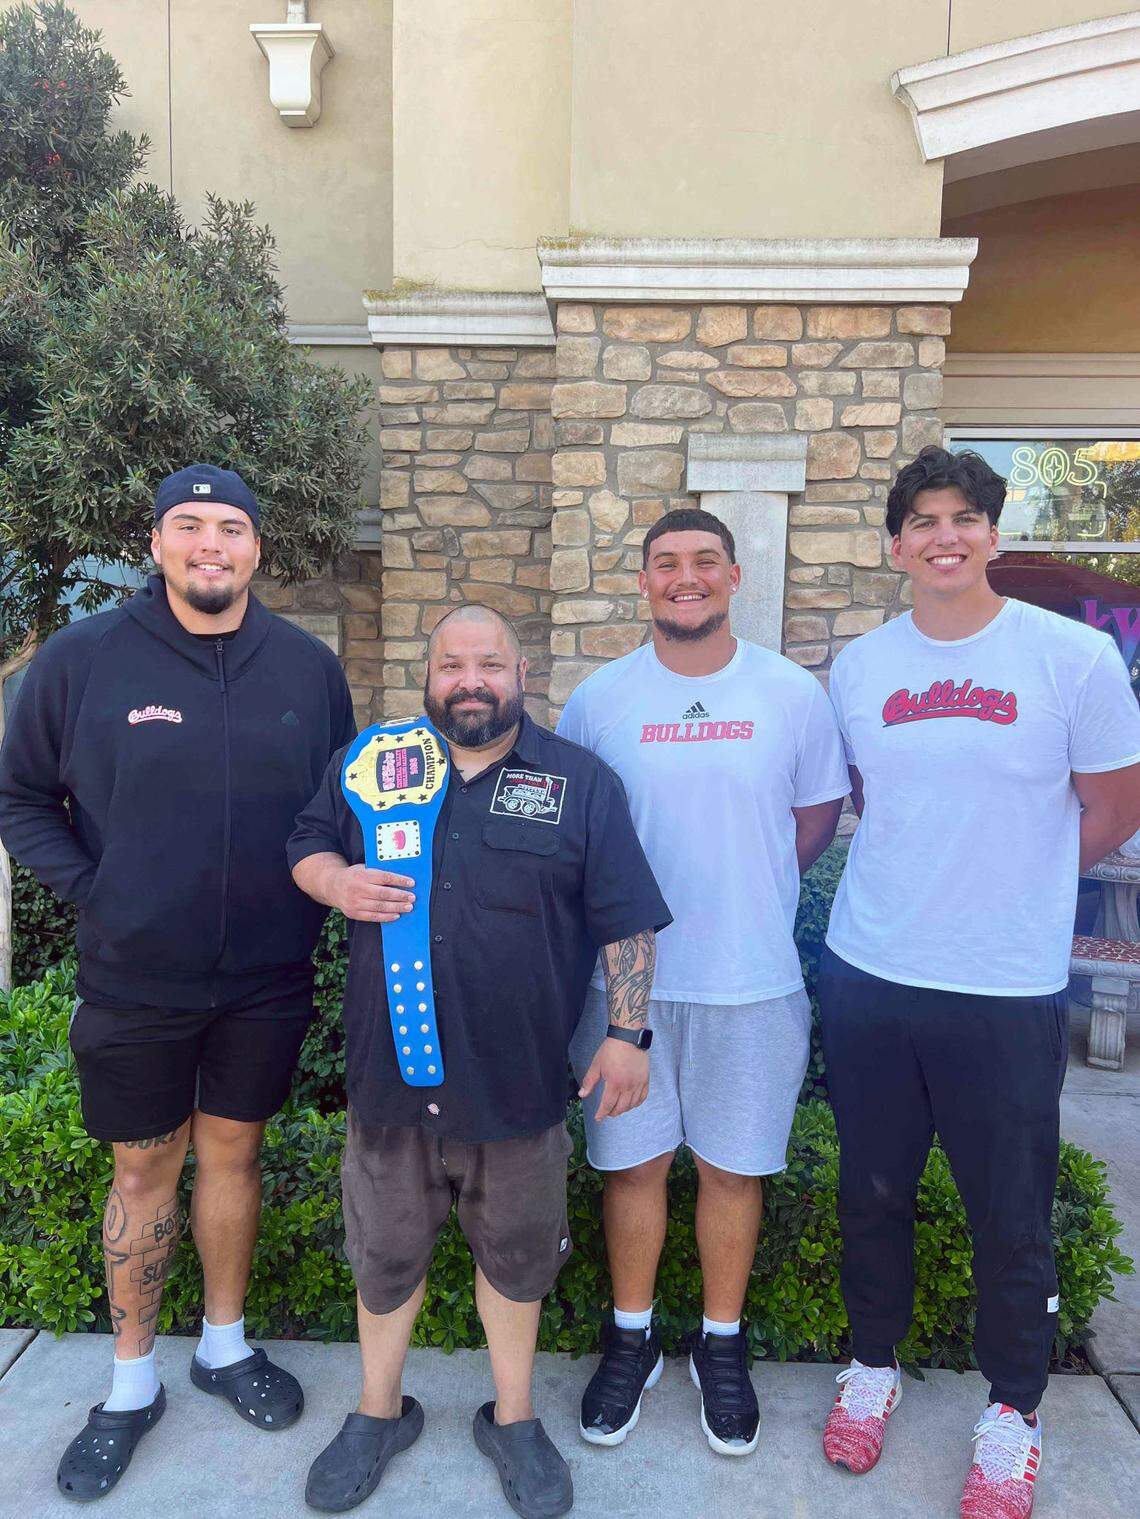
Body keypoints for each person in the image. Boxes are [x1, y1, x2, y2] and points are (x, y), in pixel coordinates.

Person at [0, 464, 356, 1501]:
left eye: (232, 527)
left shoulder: (305, 667)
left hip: (265, 976)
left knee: (234, 1154)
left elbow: (335, 804)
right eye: (189, 525)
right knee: (143, 1173)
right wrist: (98, 890)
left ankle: (224, 1345)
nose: (212, 543)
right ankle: (128, 1385)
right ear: (155, 543)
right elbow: (20, 796)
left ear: (258, 549)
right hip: (135, 979)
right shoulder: (82, 659)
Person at [287, 603, 671, 1518]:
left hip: (518, 1081)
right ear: (429, 677)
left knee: (516, 1258)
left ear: (521, 674)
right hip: (391, 1080)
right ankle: (378, 1412)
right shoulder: (374, 765)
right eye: (452, 664)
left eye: (488, 663)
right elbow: (304, 843)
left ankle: (513, 1418)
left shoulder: (580, 782)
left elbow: (625, 915)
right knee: (383, 1255)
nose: (470, 680)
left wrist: (627, 1034)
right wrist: (336, 881)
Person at [818, 446, 1140, 1519]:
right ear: (896, 543)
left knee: (1009, 1212)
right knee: (871, 1192)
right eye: (922, 520)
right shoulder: (861, 667)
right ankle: (873, 1364)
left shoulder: (1072, 657)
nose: (943, 536)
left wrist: (1021, 888)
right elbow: (870, 798)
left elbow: (1112, 804)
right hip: (871, 969)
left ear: (993, 532)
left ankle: (1013, 1413)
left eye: (964, 516)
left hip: (1003, 985)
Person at [556, 507, 848, 1456]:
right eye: (666, 564)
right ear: (642, 582)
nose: (686, 577)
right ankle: (630, 1337)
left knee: (734, 1168)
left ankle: (721, 1347)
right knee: (632, 1165)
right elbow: (576, 841)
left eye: (704, 562)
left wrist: (741, 898)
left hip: (752, 982)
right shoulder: (599, 698)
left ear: (734, 577)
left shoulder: (791, 693)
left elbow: (811, 822)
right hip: (623, 993)